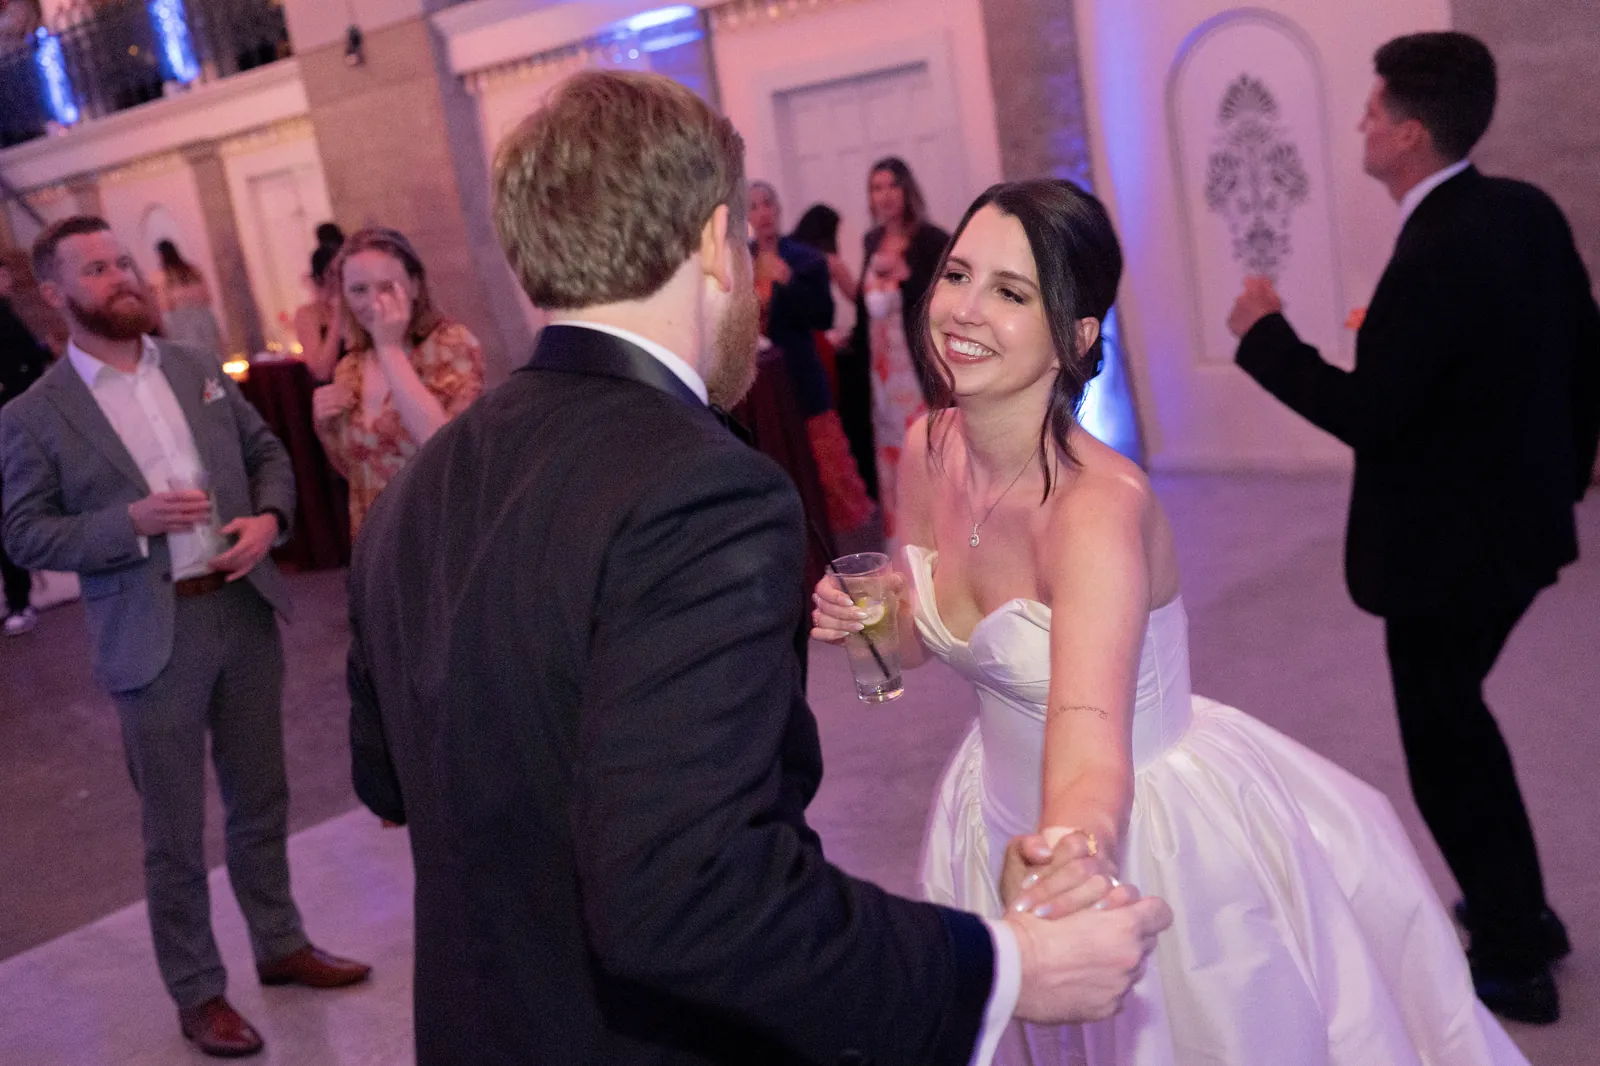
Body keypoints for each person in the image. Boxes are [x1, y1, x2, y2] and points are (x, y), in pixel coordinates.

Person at [347, 70, 1171, 1066]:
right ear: (710, 241)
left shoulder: (417, 489)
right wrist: (1002, 970)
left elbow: (389, 773)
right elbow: (694, 889)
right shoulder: (700, 489)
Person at [813, 178, 1532, 1064]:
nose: (962, 309)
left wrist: (1069, 857)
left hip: (1132, 822)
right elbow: (924, 638)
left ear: (1075, 337)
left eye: (1011, 292)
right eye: (958, 274)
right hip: (989, 807)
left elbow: (1086, 740)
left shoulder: (1099, 511)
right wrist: (870, 620)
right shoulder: (929, 446)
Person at [1226, 31, 1600, 1026]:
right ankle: (1522, 907)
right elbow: (1584, 353)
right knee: (1462, 717)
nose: (1360, 122)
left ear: (1412, 132)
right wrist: (1563, 482)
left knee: (1444, 740)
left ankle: (1515, 952)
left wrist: (1260, 334)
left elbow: (1371, 413)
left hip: (1446, 556)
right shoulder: (1522, 210)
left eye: (1374, 109)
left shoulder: (1434, 249)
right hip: (1522, 535)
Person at [0, 217, 370, 1058]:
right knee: (173, 832)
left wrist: (269, 518)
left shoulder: (201, 370)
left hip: (239, 609)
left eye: (124, 261)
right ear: (55, 296)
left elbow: (268, 453)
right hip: (149, 637)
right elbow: (23, 533)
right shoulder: (35, 415)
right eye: (98, 269)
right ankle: (199, 992)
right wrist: (124, 524)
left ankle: (280, 944)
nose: (123, 276)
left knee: (262, 800)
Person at [310, 226, 484, 536]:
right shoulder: (351, 366)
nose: (373, 302)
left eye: (386, 287)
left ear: (415, 286)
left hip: (442, 533)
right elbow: (356, 469)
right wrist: (324, 423)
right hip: (378, 539)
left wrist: (388, 347)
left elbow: (442, 446)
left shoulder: (450, 345)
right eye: (358, 290)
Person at [749, 180, 872, 534]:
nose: (763, 213)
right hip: (760, 388)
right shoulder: (739, 261)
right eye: (754, 206)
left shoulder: (805, 258)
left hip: (802, 378)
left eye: (768, 203)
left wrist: (787, 280)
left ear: (779, 209)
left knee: (829, 478)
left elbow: (823, 316)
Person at [840, 157, 950, 533]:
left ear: (906, 191)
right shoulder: (871, 242)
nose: (884, 196)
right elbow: (864, 307)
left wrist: (907, 276)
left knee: (930, 456)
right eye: (876, 188)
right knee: (894, 460)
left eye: (891, 186)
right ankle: (907, 544)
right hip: (881, 378)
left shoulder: (930, 240)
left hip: (919, 372)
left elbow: (945, 301)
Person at [0, 255, 52, 634]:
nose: (8, 280)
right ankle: (18, 598)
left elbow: (23, 361)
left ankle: (20, 597)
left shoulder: (8, 313)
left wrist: (42, 353)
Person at [153, 239, 225, 360]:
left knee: (190, 357)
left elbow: (165, 305)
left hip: (179, 321)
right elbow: (207, 297)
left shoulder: (162, 277)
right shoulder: (194, 271)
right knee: (211, 355)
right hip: (204, 317)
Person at [292, 223, 346, 381]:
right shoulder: (308, 314)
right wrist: (337, 316)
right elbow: (322, 372)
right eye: (334, 273)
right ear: (322, 277)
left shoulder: (356, 308)